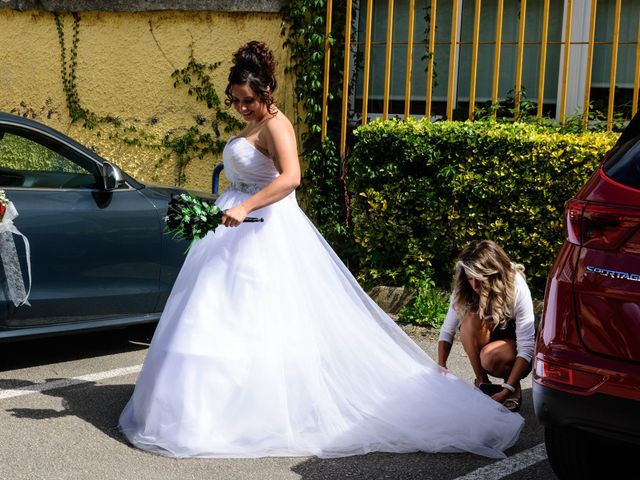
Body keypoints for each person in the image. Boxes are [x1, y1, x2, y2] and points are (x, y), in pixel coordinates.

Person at [118, 41, 524, 459]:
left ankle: (264, 408)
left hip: (262, 229)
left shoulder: (276, 124)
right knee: (217, 316)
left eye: (249, 101)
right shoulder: (252, 124)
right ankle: (208, 406)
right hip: (235, 229)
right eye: (236, 101)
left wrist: (244, 205)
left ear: (266, 93)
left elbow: (291, 178)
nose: (241, 108)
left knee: (258, 317)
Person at [437, 240, 536, 413]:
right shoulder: (465, 288)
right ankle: (482, 382)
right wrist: (441, 366)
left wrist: (507, 389)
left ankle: (513, 386)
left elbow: (527, 346)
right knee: (468, 321)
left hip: (514, 343)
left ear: (494, 274)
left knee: (490, 357)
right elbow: (448, 329)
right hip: (489, 331)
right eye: (470, 278)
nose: (475, 286)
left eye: (480, 280)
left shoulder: (517, 285)